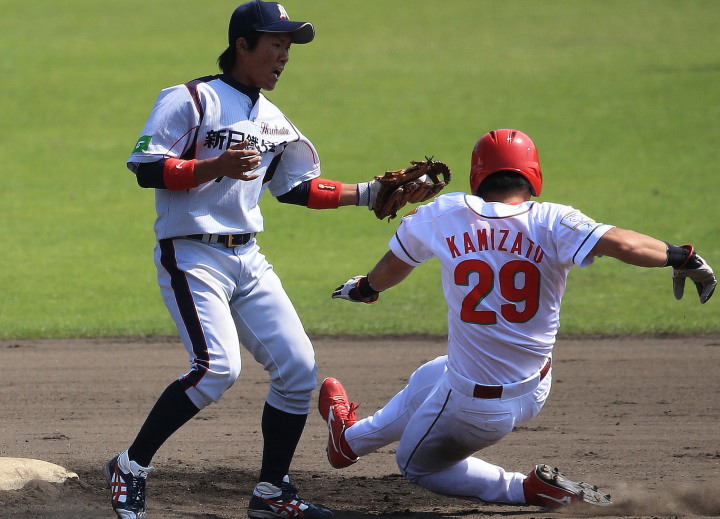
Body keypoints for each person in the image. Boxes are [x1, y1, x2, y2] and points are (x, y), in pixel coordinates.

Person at [104, 2, 428, 518]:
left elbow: (296, 187)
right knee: (216, 369)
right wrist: (215, 166)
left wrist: (369, 193)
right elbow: (147, 167)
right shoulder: (191, 99)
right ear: (242, 45)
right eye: (276, 44)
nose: (284, 56)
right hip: (191, 254)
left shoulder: (273, 120)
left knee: (298, 370)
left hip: (248, 259)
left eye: (288, 47)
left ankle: (272, 494)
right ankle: (130, 466)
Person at [320, 128, 716, 509]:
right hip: (535, 387)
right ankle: (348, 443)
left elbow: (393, 267)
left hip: (473, 408)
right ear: (533, 175)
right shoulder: (555, 220)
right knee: (433, 373)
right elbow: (625, 244)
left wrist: (365, 289)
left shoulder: (445, 213)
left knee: (415, 465)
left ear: (477, 176)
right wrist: (682, 257)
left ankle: (526, 489)